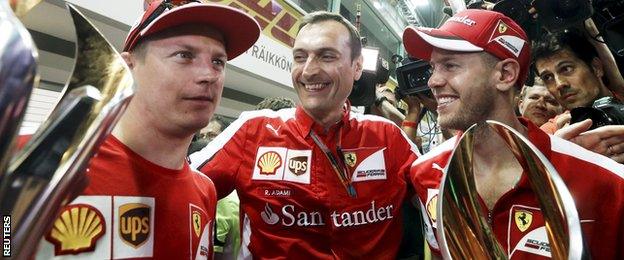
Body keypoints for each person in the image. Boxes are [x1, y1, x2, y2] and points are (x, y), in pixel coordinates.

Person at [37, 1, 260, 258]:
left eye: (218, 61)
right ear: (127, 68)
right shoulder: (40, 163)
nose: (208, 74)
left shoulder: (205, 191)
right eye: (184, 55)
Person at [190, 11, 420, 259]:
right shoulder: (252, 131)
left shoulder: (388, 138)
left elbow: (446, 205)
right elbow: (180, 187)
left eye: (326, 56)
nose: (308, 71)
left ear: (357, 67)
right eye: (300, 57)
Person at [403, 9, 624, 259]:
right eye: (433, 67)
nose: (433, 81)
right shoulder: (424, 173)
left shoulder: (606, 182)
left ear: (506, 75)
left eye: (450, 65)